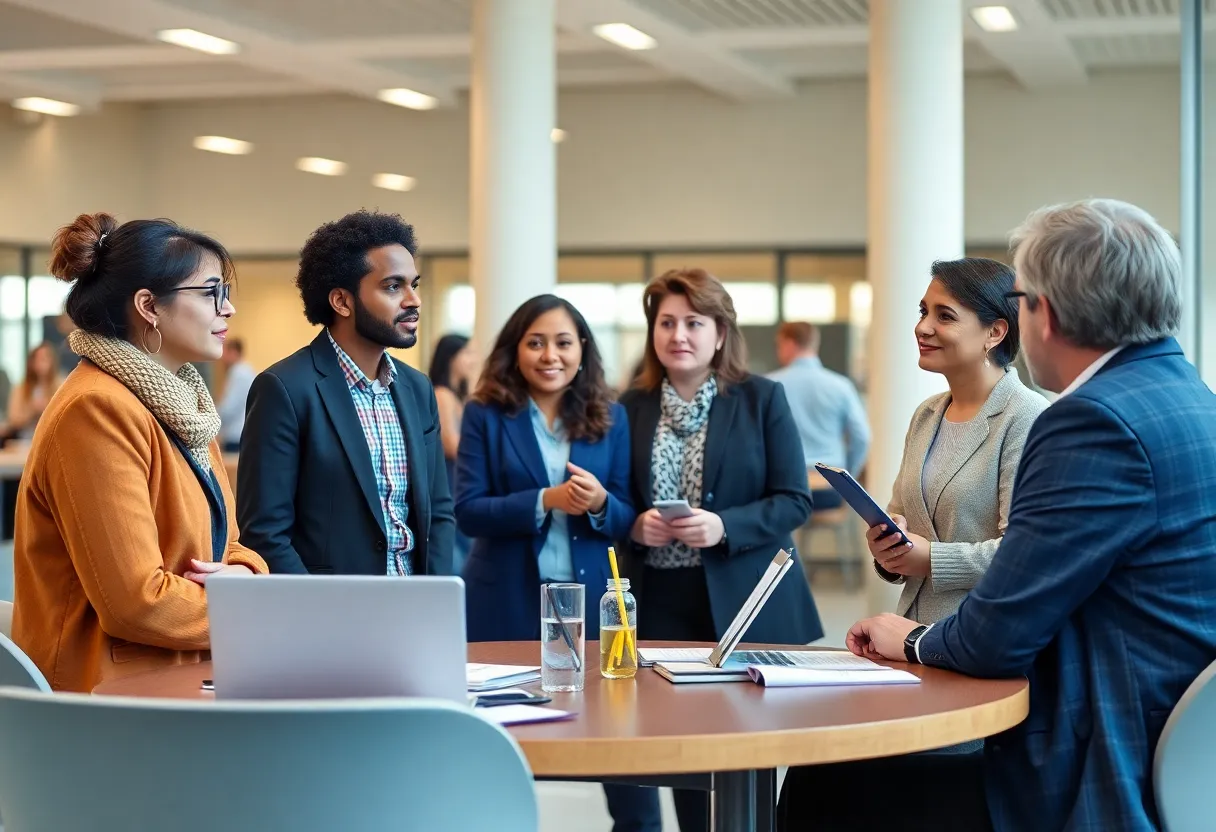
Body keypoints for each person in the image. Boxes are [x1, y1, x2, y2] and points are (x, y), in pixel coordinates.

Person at [778, 199, 1216, 832]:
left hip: (1101, 756)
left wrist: (914, 639)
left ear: (1048, 312)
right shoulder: (1194, 401)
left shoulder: (1088, 421)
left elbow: (1000, 629)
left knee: (827, 777)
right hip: (1178, 743)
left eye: (1023, 299)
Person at [10, 212, 268, 693]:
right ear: (148, 306)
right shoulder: (95, 409)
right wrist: (254, 606)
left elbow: (229, 548)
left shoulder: (185, 406)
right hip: (109, 694)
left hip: (185, 675)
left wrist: (247, 573)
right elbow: (136, 602)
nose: (228, 309)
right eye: (211, 292)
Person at [621, 268, 820, 832]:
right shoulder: (629, 407)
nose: (678, 334)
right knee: (684, 751)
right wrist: (635, 527)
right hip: (660, 600)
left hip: (744, 600)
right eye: (666, 322)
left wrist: (724, 526)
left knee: (749, 746)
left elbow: (794, 501)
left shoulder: (761, 399)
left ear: (719, 332)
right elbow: (613, 500)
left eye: (693, 322)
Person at [455, 295, 661, 832]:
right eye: (536, 342)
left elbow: (625, 515)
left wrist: (598, 504)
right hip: (505, 601)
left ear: (582, 349)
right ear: (515, 350)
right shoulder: (485, 414)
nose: (550, 355)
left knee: (623, 748)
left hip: (594, 606)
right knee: (495, 751)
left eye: (563, 342)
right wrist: (544, 500)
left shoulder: (610, 416)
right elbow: (468, 510)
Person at [237, 210, 455, 577]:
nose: (413, 300)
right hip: (330, 618)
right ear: (342, 301)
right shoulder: (285, 389)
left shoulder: (418, 389)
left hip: (416, 611)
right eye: (392, 286)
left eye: (414, 285)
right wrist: (322, 614)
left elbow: (439, 512)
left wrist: (435, 599)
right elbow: (266, 533)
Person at [866, 258, 1047, 626]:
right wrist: (888, 550)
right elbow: (903, 517)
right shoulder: (927, 415)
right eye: (923, 312)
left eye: (944, 316)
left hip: (982, 634)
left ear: (994, 333)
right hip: (913, 632)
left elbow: (1025, 552)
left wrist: (930, 558)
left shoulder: (1026, 416)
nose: (922, 327)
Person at [767, 321, 870, 510]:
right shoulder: (841, 386)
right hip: (829, 489)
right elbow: (862, 437)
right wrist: (848, 477)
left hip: (784, 488)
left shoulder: (769, 385)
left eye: (778, 345)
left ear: (789, 344)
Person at [429, 332, 477, 573]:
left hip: (458, 479)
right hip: (450, 481)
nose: (472, 359)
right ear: (451, 358)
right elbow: (450, 443)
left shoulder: (458, 396)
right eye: (466, 353)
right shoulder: (443, 395)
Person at [7, 342, 63, 439]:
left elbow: (64, 417)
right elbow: (13, 419)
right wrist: (31, 410)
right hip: (24, 439)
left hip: (52, 438)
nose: (41, 363)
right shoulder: (21, 388)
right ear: (31, 362)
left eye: (45, 359)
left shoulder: (61, 385)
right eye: (37, 359)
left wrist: (48, 408)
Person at [215, 337, 255, 452]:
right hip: (240, 433)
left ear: (233, 352)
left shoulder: (239, 373)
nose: (222, 357)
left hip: (235, 436)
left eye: (225, 352)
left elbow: (229, 408)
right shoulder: (243, 371)